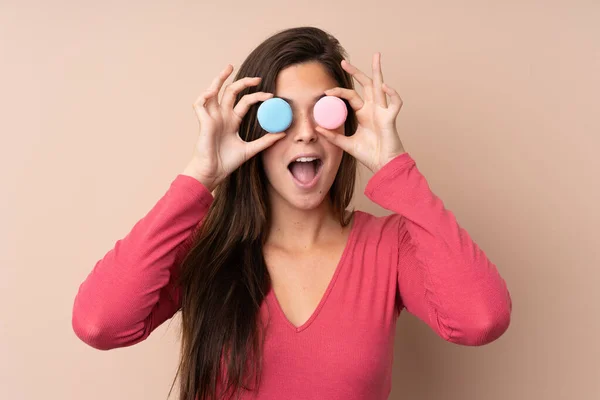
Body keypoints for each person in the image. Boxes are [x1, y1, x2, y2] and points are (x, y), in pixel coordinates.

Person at [72, 26, 512, 400]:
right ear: (253, 128)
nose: (304, 133)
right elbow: (100, 324)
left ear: (347, 126)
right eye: (280, 114)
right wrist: (199, 178)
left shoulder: (389, 246)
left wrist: (397, 169)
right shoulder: (203, 248)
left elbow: (480, 319)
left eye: (325, 110)